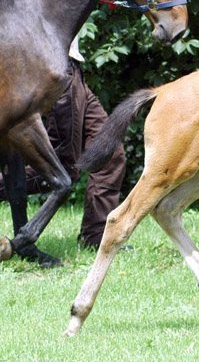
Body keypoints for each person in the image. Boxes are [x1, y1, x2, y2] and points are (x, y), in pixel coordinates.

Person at [0, 34, 126, 249]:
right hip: (56, 74)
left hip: (74, 72)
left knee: (110, 155)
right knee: (62, 167)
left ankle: (95, 237)